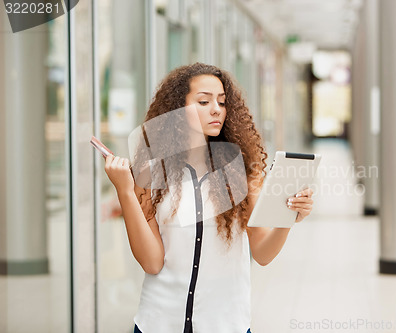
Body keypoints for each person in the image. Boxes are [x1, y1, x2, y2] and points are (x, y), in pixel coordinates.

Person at [104, 63, 314, 333]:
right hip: (159, 323)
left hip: (226, 324)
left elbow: (262, 253)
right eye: (204, 101)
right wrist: (125, 192)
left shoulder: (244, 173)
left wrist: (288, 218)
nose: (216, 109)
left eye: (222, 102)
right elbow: (152, 262)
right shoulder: (151, 172)